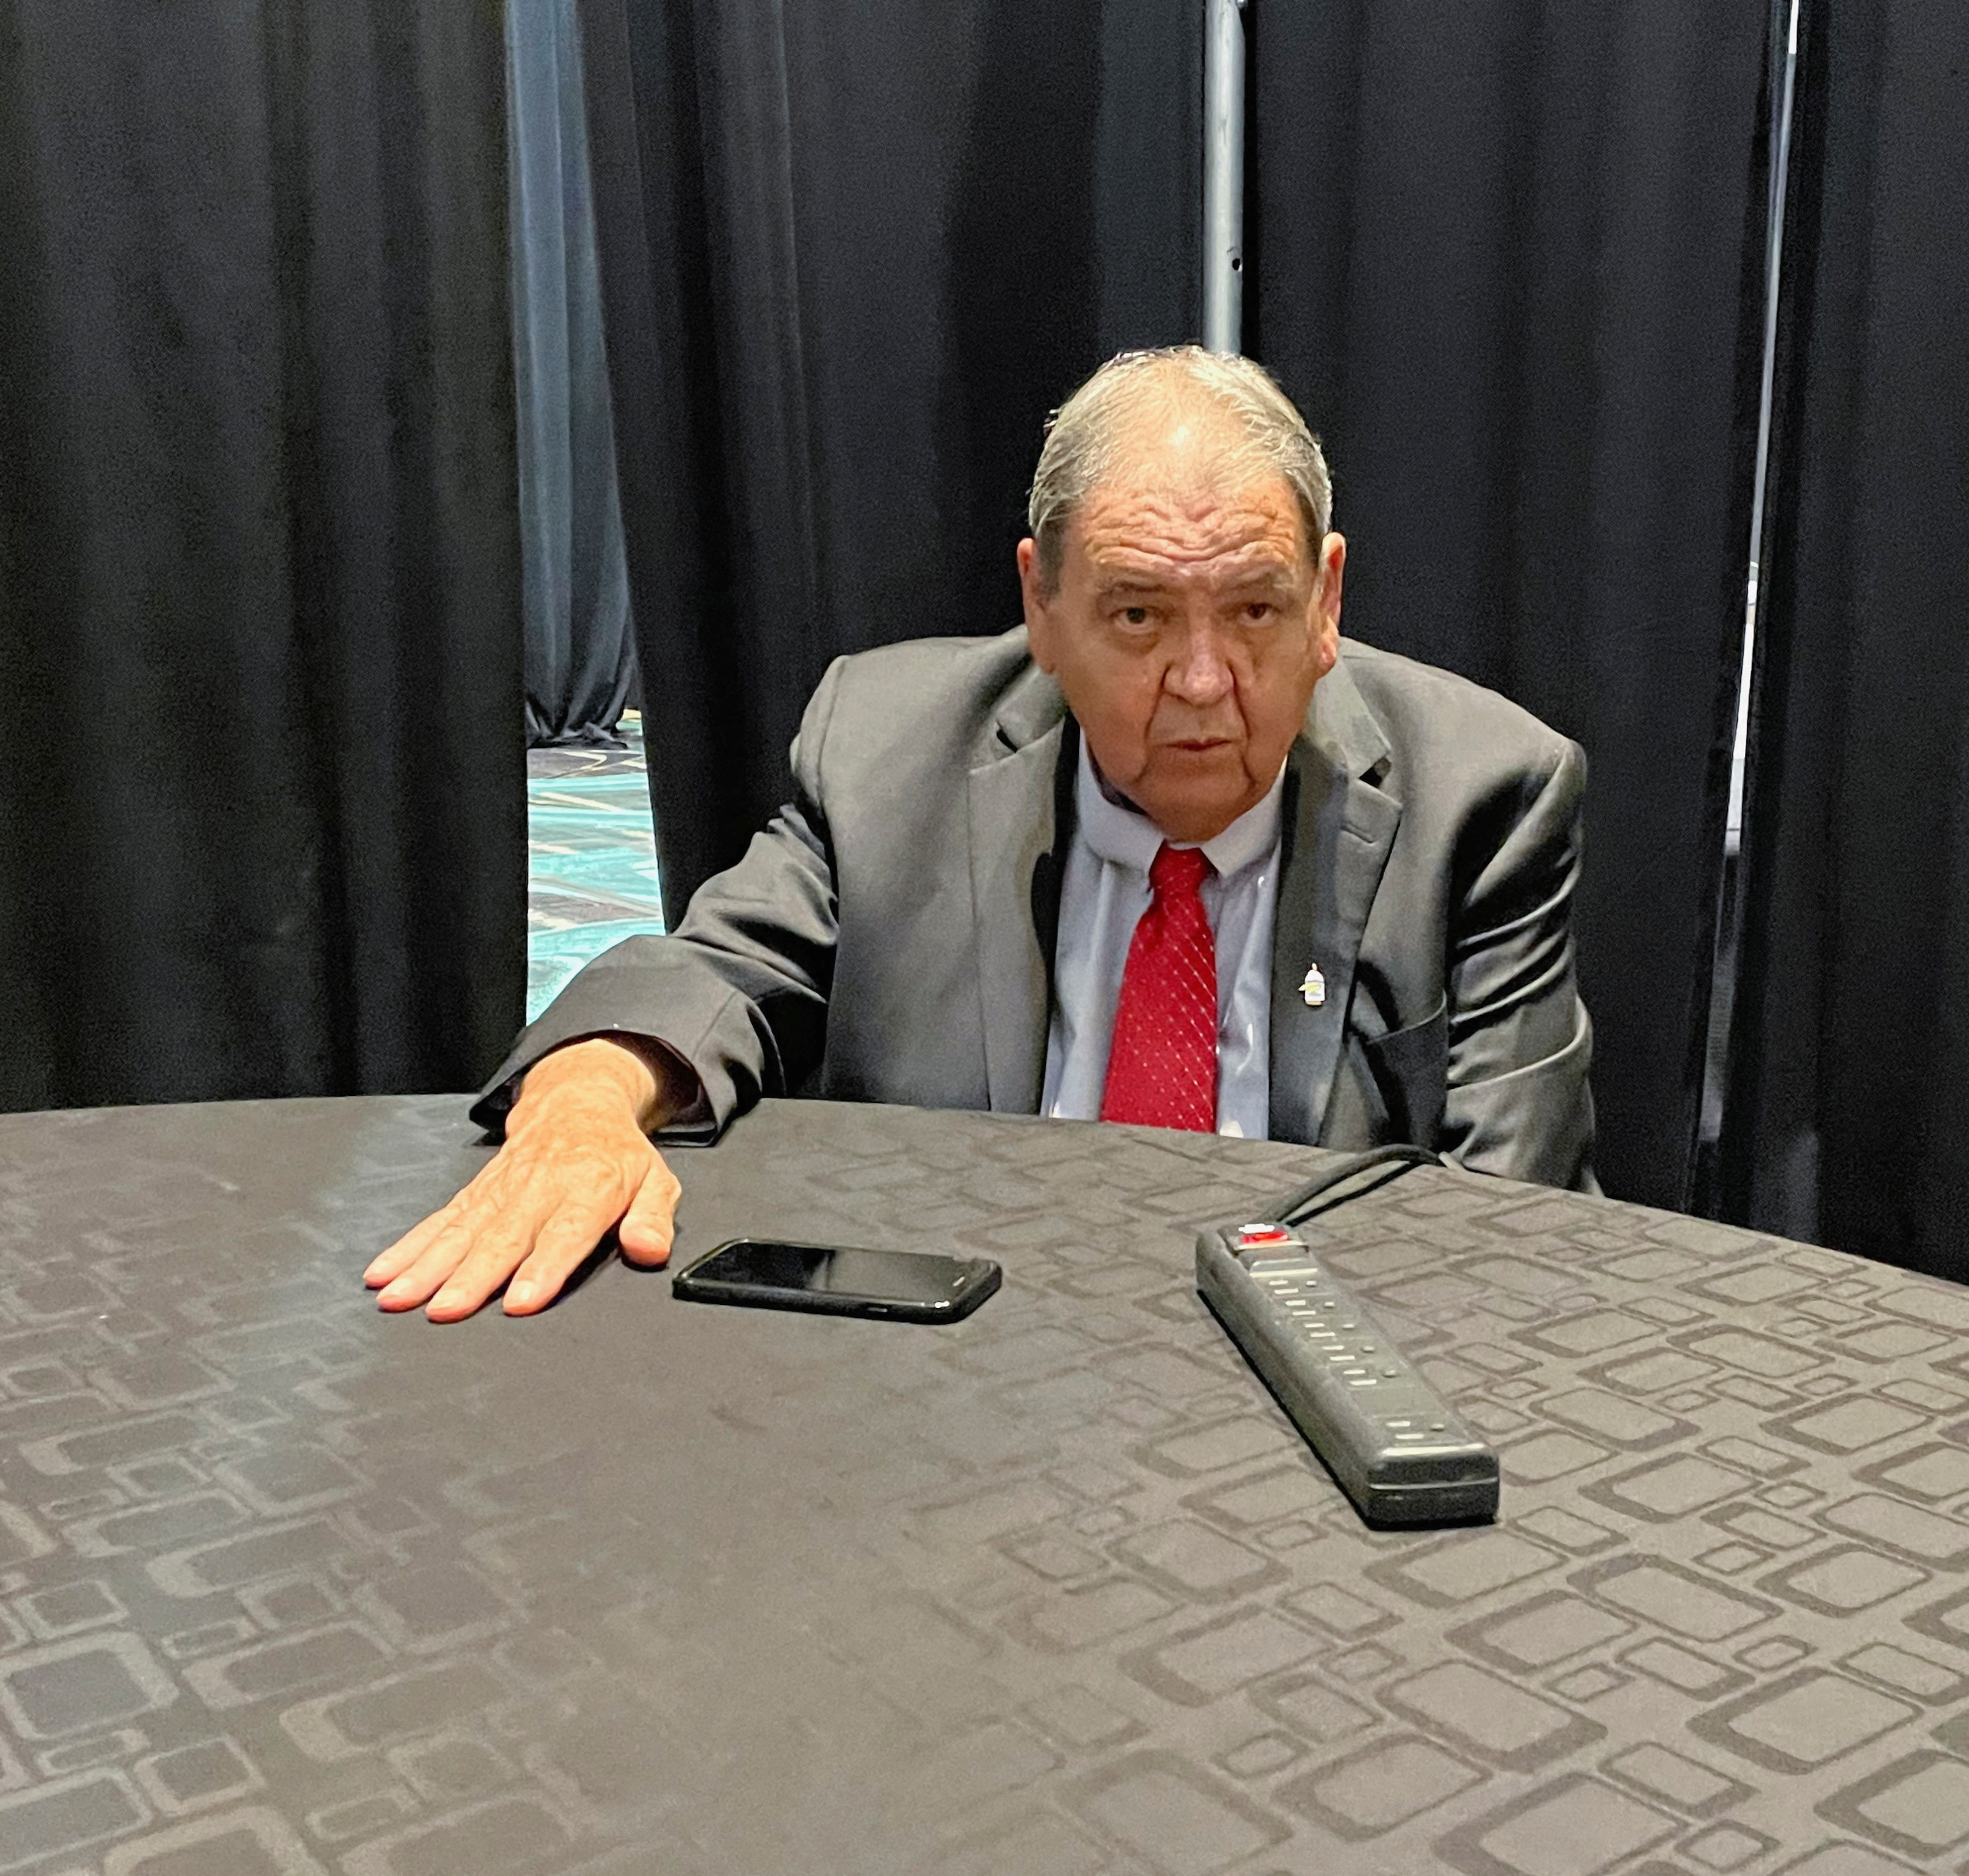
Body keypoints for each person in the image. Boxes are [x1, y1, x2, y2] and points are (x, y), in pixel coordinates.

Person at [368, 348, 1596, 1322]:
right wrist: (587, 1098)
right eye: (1136, 613)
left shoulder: (1480, 797)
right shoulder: (889, 747)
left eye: (1256, 610)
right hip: (970, 1374)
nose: (1204, 679)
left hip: (1306, 1379)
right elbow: (724, 970)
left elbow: (1503, 1231)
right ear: (1040, 606)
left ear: (1326, 602)